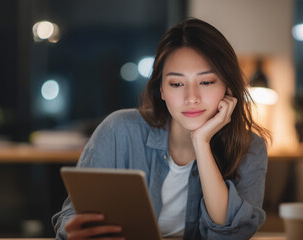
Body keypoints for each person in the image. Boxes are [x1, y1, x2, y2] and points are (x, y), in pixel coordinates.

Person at [52, 18, 270, 240]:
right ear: (162, 90)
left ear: (228, 87)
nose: (191, 98)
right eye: (176, 84)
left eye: (206, 82)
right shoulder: (119, 131)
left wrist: (201, 142)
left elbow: (230, 235)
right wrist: (77, 232)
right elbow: (71, 217)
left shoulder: (250, 148)